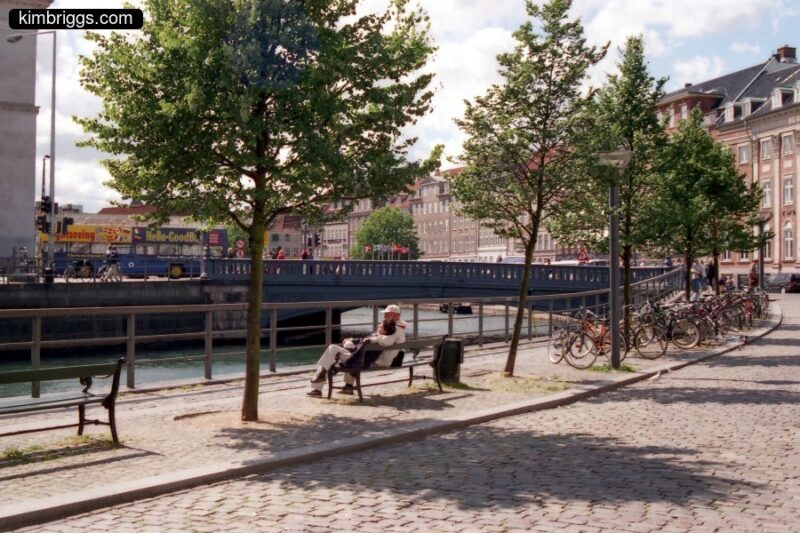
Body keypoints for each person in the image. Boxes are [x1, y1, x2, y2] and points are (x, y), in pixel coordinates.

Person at [307, 304, 407, 397]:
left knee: (333, 348)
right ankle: (348, 386)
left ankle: (318, 385)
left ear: (393, 315)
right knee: (351, 352)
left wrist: (373, 338)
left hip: (374, 361)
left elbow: (386, 341)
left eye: (386, 314)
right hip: (372, 358)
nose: (384, 316)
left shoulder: (394, 329)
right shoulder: (395, 328)